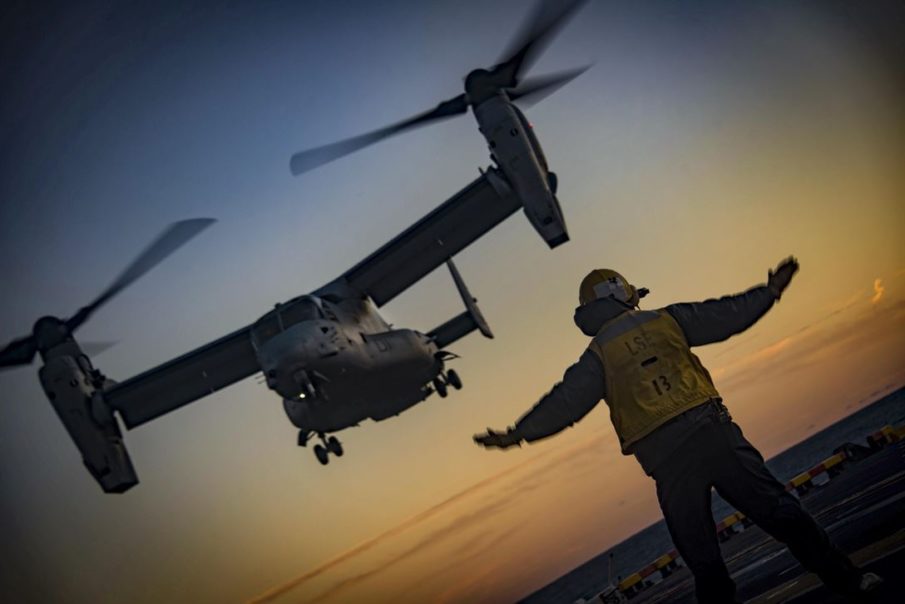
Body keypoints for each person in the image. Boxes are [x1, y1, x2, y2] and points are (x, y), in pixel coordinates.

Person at [474, 258, 882, 603]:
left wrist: (518, 433)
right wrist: (769, 291)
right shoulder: (667, 320)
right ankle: (851, 583)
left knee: (703, 558)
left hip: (668, 463)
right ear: (621, 294)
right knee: (782, 514)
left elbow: (565, 402)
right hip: (713, 434)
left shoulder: (597, 355)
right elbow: (725, 315)